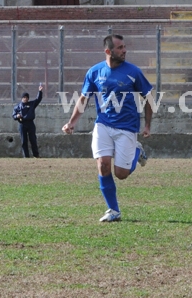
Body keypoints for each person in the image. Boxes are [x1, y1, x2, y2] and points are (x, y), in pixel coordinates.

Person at [62, 34, 153, 222]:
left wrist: (147, 125)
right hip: (103, 124)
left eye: (124, 47)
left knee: (121, 174)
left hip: (127, 127)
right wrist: (71, 122)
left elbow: (149, 98)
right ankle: (113, 210)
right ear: (108, 51)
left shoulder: (133, 72)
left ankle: (137, 150)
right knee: (103, 165)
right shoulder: (95, 72)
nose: (124, 50)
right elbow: (84, 99)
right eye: (120, 48)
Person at [13, 84, 44, 158]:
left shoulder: (32, 104)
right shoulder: (17, 106)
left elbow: (38, 99)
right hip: (22, 124)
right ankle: (26, 156)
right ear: (21, 98)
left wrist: (40, 91)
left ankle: (36, 155)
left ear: (28, 98)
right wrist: (17, 116)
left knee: (33, 140)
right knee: (24, 141)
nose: (25, 99)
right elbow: (13, 115)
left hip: (30, 123)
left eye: (26, 97)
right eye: (24, 97)